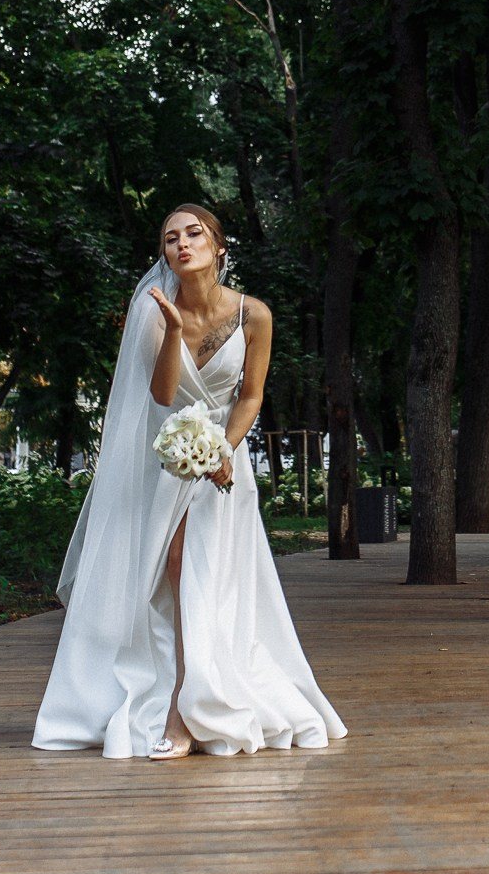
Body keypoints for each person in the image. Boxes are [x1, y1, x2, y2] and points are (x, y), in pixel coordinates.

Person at [33, 203, 346, 760]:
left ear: (218, 246)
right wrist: (173, 331)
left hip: (223, 460)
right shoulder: (155, 311)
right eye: (170, 238)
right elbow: (161, 395)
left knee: (204, 573)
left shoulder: (254, 314)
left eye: (194, 234)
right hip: (168, 457)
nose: (181, 244)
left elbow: (250, 395)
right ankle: (178, 701)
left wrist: (224, 448)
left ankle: (194, 703)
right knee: (175, 569)